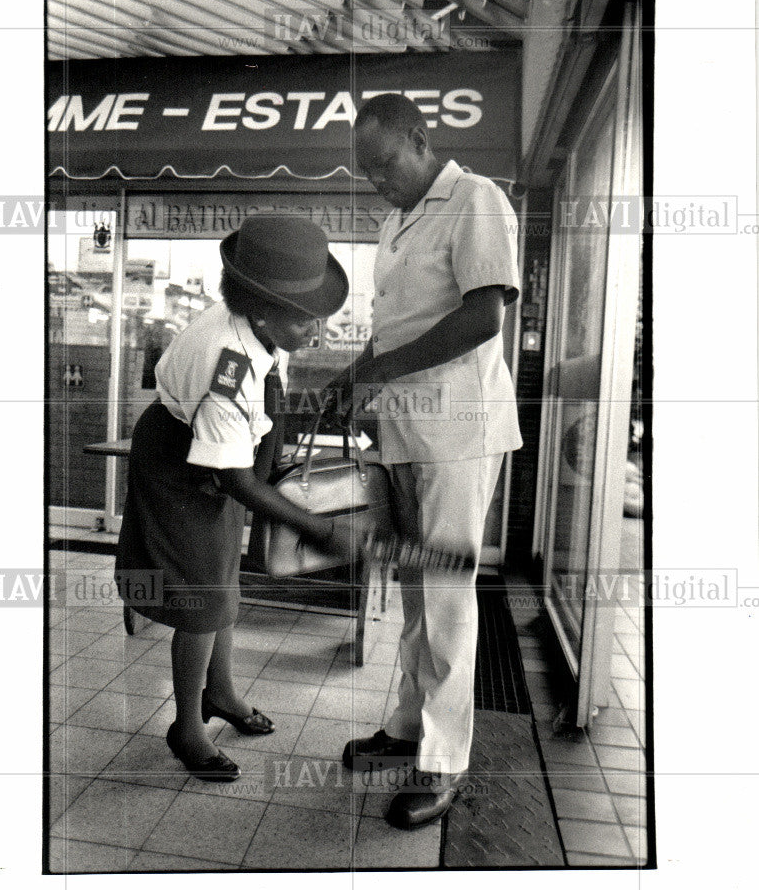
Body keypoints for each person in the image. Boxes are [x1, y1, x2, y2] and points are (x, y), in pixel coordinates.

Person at [331, 94, 523, 829]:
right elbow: (395, 328)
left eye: (384, 164)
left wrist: (383, 375)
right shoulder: (396, 220)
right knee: (414, 591)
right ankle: (409, 726)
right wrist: (352, 378)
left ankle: (445, 763)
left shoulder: (475, 199)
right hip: (404, 431)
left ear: (418, 139)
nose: (376, 180)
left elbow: (484, 316)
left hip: (456, 431)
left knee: (445, 599)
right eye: (366, 171)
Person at [115, 215, 357, 782]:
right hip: (181, 464)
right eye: (308, 319)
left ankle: (219, 693)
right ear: (264, 306)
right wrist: (317, 526)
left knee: (224, 579)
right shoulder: (228, 362)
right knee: (201, 600)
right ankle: (187, 730)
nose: (318, 330)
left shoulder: (264, 327)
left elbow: (262, 419)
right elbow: (234, 481)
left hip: (224, 455)